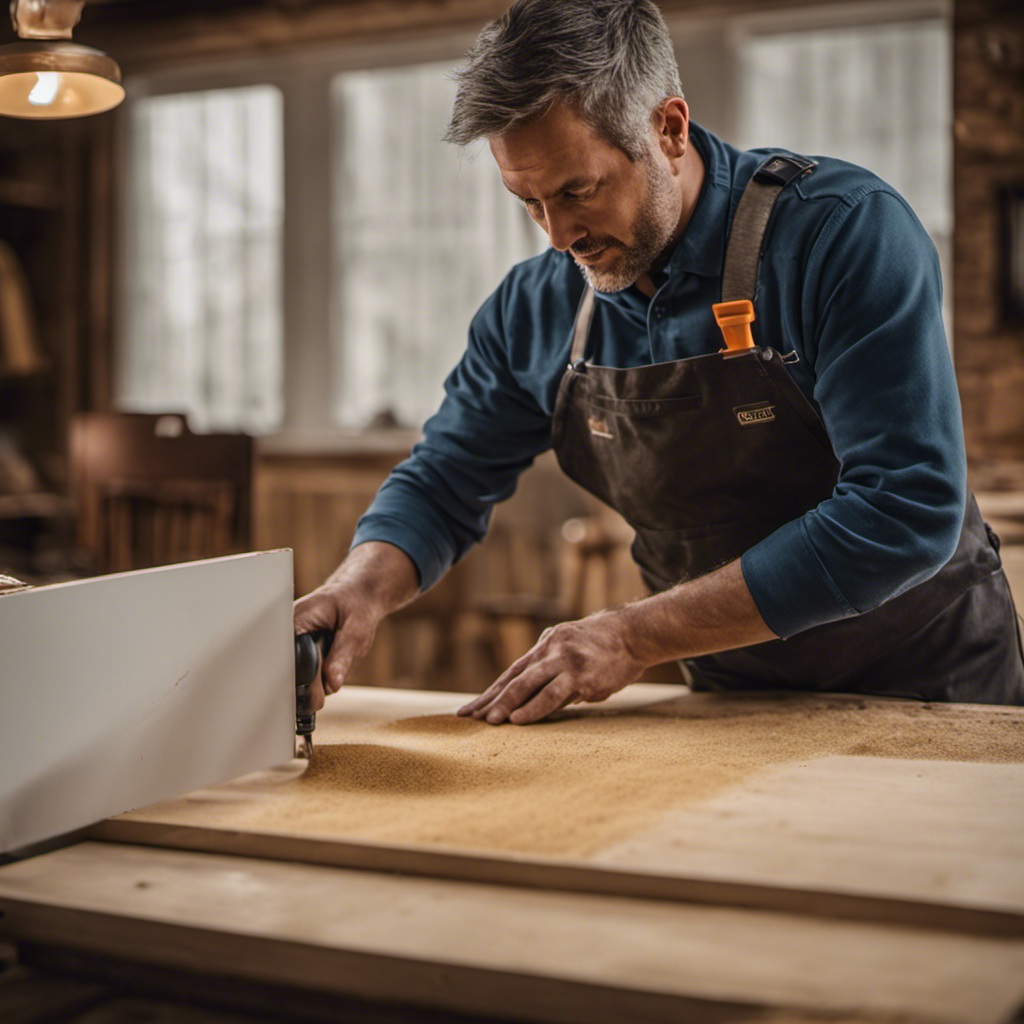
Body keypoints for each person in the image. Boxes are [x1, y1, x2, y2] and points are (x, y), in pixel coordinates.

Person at [295, 0, 1024, 723]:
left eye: (577, 191)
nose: (557, 237)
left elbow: (905, 509)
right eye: (529, 202)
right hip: (735, 701)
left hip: (935, 689)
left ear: (668, 129)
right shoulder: (536, 309)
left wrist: (635, 634)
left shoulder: (842, 235)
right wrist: (359, 586)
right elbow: (444, 481)